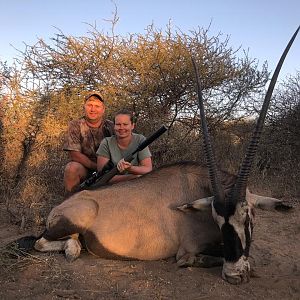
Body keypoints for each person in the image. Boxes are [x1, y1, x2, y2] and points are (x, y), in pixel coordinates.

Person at [63, 91, 114, 192]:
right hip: (86, 168)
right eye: (89, 105)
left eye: (97, 106)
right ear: (84, 107)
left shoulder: (112, 126)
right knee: (71, 169)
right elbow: (74, 155)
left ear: (103, 109)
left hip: (108, 168)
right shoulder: (75, 125)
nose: (93, 109)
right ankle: (71, 201)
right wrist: (97, 168)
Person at [96, 109, 152, 184]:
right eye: (118, 124)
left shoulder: (140, 139)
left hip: (136, 184)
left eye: (125, 124)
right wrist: (132, 177)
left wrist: (130, 168)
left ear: (132, 126)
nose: (121, 128)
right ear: (114, 126)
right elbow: (102, 177)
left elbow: (148, 169)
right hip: (113, 185)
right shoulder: (106, 142)